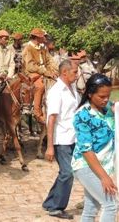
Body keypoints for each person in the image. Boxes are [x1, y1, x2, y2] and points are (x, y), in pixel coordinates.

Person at [72, 73, 117, 221]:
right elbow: (86, 150)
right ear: (90, 94)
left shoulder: (109, 109)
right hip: (86, 165)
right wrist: (104, 177)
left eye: (108, 96)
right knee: (110, 204)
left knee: (91, 207)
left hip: (101, 165)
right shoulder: (82, 115)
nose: (106, 100)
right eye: (101, 96)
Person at [42, 59, 80, 219]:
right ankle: (56, 208)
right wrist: (50, 146)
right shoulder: (57, 91)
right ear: (64, 72)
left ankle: (50, 201)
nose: (77, 75)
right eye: (75, 72)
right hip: (61, 139)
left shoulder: (71, 88)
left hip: (72, 137)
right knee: (67, 173)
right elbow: (51, 119)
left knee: (66, 172)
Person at [22, 28, 58, 124]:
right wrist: (44, 72)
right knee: (40, 86)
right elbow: (30, 66)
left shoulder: (43, 47)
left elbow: (49, 60)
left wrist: (55, 70)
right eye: (43, 37)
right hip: (32, 72)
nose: (45, 38)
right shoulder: (28, 48)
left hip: (45, 71)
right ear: (37, 37)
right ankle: (37, 113)